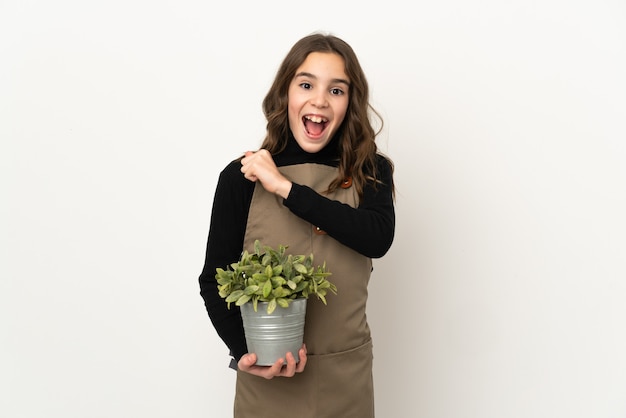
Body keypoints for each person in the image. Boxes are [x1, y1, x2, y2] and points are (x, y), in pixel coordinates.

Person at [198, 32, 395, 418]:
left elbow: (376, 237)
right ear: (285, 92)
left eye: (336, 90)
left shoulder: (371, 172)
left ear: (349, 102)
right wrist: (245, 351)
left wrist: (285, 189)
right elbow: (213, 280)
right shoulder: (240, 178)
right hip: (268, 386)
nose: (319, 100)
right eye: (306, 84)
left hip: (347, 382)